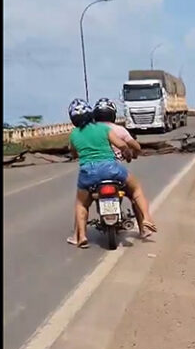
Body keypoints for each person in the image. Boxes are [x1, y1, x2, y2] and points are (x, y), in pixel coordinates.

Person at [65, 98, 157, 248]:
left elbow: (73, 153)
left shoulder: (74, 134)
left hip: (88, 173)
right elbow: (122, 145)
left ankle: (80, 236)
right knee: (136, 189)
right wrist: (127, 155)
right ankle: (147, 219)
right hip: (111, 169)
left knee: (81, 203)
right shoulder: (104, 129)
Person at [92, 97, 155, 237]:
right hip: (115, 172)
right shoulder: (119, 130)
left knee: (82, 202)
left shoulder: (91, 131)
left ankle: (79, 234)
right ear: (113, 114)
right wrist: (135, 154)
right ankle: (144, 227)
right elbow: (135, 146)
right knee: (134, 194)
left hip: (94, 173)